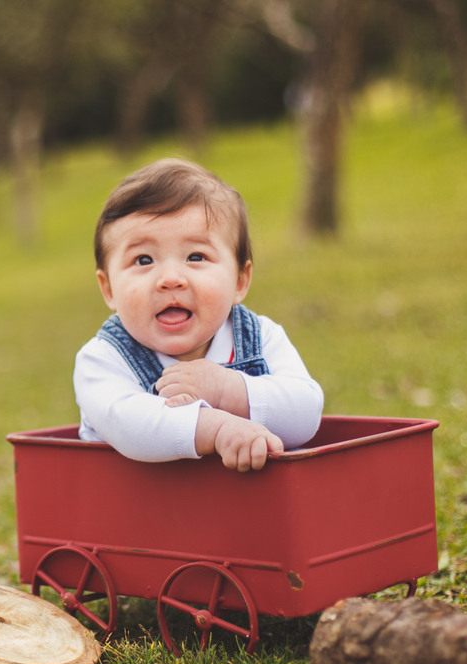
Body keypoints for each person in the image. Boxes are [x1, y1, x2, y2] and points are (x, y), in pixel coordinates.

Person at [75, 158, 323, 472]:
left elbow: (305, 414)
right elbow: (132, 426)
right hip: (136, 515)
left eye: (195, 256)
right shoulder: (102, 359)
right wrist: (217, 428)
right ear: (108, 289)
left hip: (244, 513)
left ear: (239, 281)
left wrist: (226, 390)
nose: (170, 278)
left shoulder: (260, 337)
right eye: (143, 260)